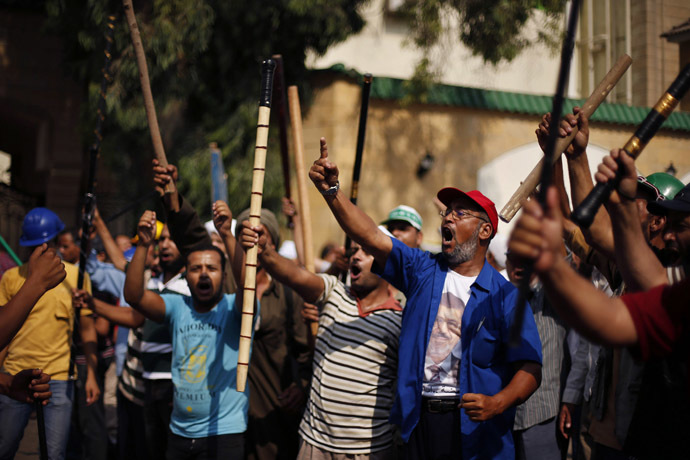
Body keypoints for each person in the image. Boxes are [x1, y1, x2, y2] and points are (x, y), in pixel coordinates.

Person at [309, 137, 542, 459]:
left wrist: (498, 402)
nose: (447, 218)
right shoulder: (422, 270)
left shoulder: (505, 297)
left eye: (460, 214)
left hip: (475, 429)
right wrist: (332, 192)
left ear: (485, 231)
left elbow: (530, 366)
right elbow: (372, 236)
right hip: (418, 420)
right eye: (447, 213)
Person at [240, 223, 402, 459]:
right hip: (314, 445)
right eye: (354, 250)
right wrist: (265, 251)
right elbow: (295, 275)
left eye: (366, 251)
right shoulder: (334, 292)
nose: (355, 256)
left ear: (388, 264)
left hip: (367, 450)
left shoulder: (399, 320)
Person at [124, 208, 251, 459]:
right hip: (179, 433)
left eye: (211, 268)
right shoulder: (176, 305)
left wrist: (226, 234)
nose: (203, 273)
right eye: (195, 268)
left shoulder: (236, 310)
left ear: (224, 275)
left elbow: (247, 285)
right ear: (186, 275)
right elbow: (134, 296)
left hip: (223, 434)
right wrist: (143, 245)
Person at [0, 207, 100, 460]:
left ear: (56, 241)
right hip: (14, 374)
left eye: (44, 244)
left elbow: (87, 329)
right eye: (34, 246)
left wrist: (91, 375)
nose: (40, 250)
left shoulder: (77, 277)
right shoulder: (11, 278)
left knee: (54, 454)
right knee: (4, 448)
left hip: (58, 377)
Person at [506, 252, 567, 460]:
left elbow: (567, 265)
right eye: (513, 259)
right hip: (505, 414)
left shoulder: (551, 296)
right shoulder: (503, 301)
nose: (518, 266)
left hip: (542, 415)